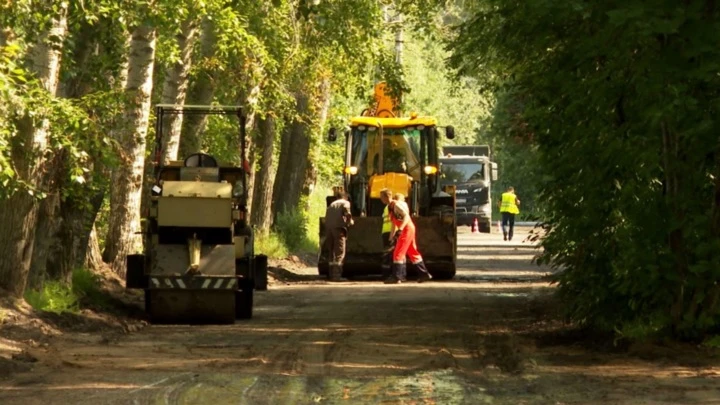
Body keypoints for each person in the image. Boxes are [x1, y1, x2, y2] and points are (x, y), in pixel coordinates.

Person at [385, 193, 432, 284]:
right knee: (412, 252)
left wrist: (400, 230)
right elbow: (394, 224)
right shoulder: (391, 207)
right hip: (409, 229)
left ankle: (397, 277)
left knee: (398, 253)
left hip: (406, 230)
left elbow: (406, 217)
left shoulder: (396, 206)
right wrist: (391, 238)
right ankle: (424, 274)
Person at [324, 191, 354, 281]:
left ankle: (331, 274)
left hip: (329, 229)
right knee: (340, 251)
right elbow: (347, 212)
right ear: (345, 197)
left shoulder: (332, 204)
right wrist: (349, 221)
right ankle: (337, 276)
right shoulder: (345, 202)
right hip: (338, 228)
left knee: (331, 251)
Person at [379, 188, 394, 278]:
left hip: (390, 232)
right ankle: (386, 274)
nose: (380, 199)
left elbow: (395, 221)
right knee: (387, 253)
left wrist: (392, 234)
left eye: (382, 197)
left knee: (389, 253)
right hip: (386, 232)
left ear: (387, 196)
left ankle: (389, 274)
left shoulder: (392, 206)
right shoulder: (386, 207)